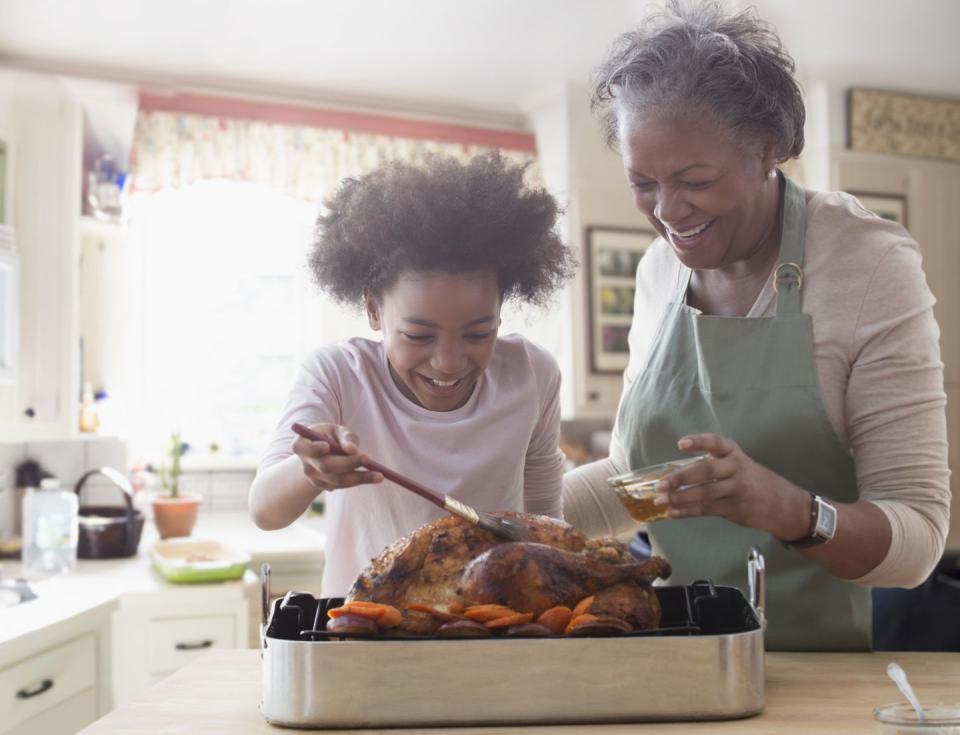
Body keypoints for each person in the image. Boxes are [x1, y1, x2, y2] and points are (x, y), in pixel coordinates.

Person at [562, 0, 950, 651]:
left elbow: (918, 541)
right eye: (642, 182)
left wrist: (790, 510)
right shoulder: (660, 273)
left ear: (766, 150)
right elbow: (644, 482)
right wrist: (506, 503)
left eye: (694, 180)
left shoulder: (866, 262)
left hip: (822, 668)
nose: (667, 211)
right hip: (676, 653)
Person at [249, 152, 576, 597]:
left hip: (492, 629)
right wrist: (310, 470)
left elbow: (544, 522)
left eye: (478, 333)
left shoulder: (532, 374)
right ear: (373, 310)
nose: (448, 361)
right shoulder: (339, 375)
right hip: (364, 633)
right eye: (420, 336)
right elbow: (266, 511)